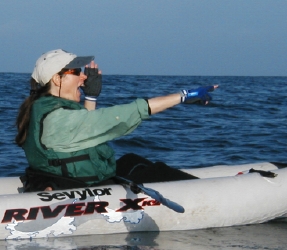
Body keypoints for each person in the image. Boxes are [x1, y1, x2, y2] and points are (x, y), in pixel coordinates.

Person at [15, 49, 218, 192]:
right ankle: (213, 194)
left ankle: (206, 187)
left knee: (130, 160)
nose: (83, 77)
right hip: (78, 185)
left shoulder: (42, 108)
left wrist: (91, 98)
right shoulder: (58, 119)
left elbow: (84, 132)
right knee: (157, 172)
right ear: (57, 80)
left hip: (67, 177)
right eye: (76, 72)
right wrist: (182, 96)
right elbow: (122, 116)